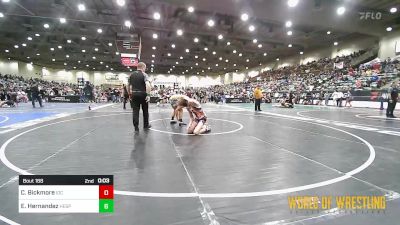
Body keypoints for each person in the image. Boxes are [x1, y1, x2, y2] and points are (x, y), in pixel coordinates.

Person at [128, 62, 152, 132]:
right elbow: (148, 85)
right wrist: (148, 95)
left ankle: (136, 127)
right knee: (145, 110)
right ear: (143, 67)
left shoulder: (131, 75)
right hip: (143, 94)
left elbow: (128, 85)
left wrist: (130, 94)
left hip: (134, 94)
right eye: (145, 68)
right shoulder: (144, 74)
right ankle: (146, 125)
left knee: (135, 111)